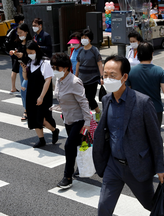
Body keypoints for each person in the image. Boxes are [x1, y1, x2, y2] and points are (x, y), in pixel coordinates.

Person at [93, 55, 164, 216]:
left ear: (124, 77)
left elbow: (155, 138)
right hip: (113, 166)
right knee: (104, 207)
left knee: (152, 206)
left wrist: (160, 167)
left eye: (112, 75)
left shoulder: (142, 102)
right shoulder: (106, 100)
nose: (107, 79)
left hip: (136, 166)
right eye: (105, 75)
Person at [50, 53, 91, 189]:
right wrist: (57, 107)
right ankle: (82, 166)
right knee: (77, 145)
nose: (55, 69)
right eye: (53, 67)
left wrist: (87, 122)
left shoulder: (74, 82)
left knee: (69, 146)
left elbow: (84, 103)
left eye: (57, 67)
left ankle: (67, 177)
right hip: (67, 118)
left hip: (79, 119)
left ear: (66, 68)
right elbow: (61, 97)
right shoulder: (59, 80)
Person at [126, 42, 164, 126]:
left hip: (137, 108)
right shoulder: (159, 70)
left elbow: (127, 92)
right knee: (154, 136)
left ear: (138, 54)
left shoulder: (131, 71)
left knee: (139, 135)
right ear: (152, 54)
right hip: (155, 109)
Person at [21, 40, 59, 148]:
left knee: (42, 119)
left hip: (43, 94)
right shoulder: (29, 62)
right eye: (28, 52)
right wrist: (24, 69)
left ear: (36, 50)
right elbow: (26, 78)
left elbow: (48, 80)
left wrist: (41, 96)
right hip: (31, 93)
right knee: (33, 117)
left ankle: (54, 130)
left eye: (31, 52)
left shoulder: (45, 62)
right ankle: (41, 140)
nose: (30, 54)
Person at [75, 29, 104, 122]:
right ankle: (87, 117)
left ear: (90, 39)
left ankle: (98, 112)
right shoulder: (80, 50)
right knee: (83, 99)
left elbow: (99, 63)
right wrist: (75, 77)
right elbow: (78, 64)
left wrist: (101, 76)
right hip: (81, 78)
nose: (83, 39)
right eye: (82, 37)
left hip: (92, 79)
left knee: (90, 98)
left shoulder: (94, 50)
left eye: (85, 37)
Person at [9, 23, 32, 121]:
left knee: (30, 89)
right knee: (23, 88)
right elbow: (16, 55)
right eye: (18, 33)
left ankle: (32, 109)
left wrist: (23, 55)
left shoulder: (31, 43)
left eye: (21, 33)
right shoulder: (17, 42)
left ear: (26, 32)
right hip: (21, 68)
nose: (19, 35)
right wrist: (13, 53)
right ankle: (26, 109)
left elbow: (34, 56)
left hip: (31, 68)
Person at [9, 14, 25, 94]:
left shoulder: (12, 27)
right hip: (17, 52)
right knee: (19, 69)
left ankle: (13, 87)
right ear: (20, 21)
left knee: (14, 69)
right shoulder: (17, 30)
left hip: (12, 52)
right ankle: (14, 87)